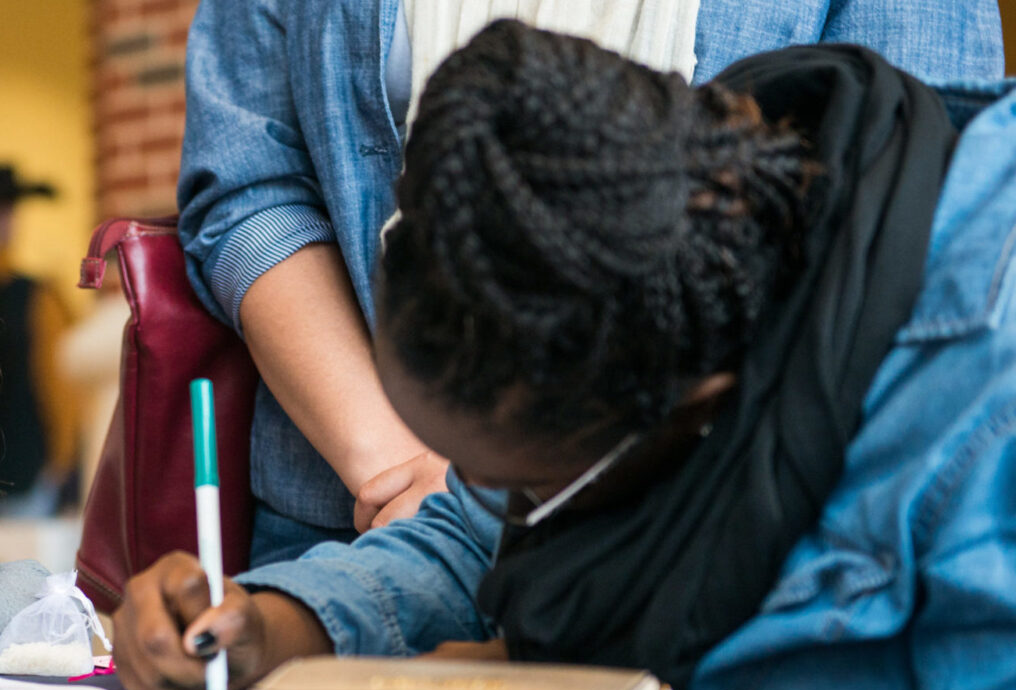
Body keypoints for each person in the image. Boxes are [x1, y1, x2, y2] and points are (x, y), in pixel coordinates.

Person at [118, 22, 1016, 690]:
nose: (503, 515)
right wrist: (275, 627)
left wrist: (576, 670)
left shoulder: (981, 378)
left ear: (694, 400)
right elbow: (474, 531)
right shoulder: (680, 264)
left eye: (532, 488)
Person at [178, 0, 1006, 566]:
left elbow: (899, 199)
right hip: (362, 519)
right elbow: (253, 177)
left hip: (707, 524)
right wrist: (410, 475)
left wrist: (515, 487)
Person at [0, 165, 65, 516]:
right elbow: (55, 386)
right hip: (25, 474)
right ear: (0, 215)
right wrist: (61, 462)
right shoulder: (36, 296)